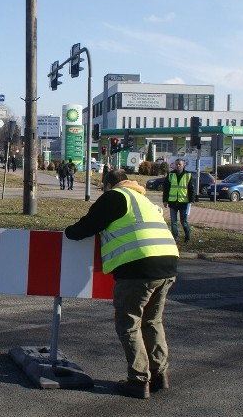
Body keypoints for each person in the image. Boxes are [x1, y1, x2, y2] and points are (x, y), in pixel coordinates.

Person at [64, 169, 179, 399]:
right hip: (168, 263)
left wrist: (68, 233)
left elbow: (86, 227)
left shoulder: (115, 197)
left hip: (138, 267)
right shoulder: (142, 198)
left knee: (129, 323)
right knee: (152, 321)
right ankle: (160, 374)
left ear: (108, 185)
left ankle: (138, 380)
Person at [162, 159, 197, 242]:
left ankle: (187, 237)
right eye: (177, 164)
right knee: (173, 222)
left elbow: (191, 189)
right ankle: (175, 238)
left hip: (184, 202)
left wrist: (192, 200)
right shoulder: (170, 175)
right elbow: (166, 188)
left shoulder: (188, 175)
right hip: (173, 202)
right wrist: (165, 200)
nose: (178, 166)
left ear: (183, 165)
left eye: (180, 164)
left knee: (184, 222)